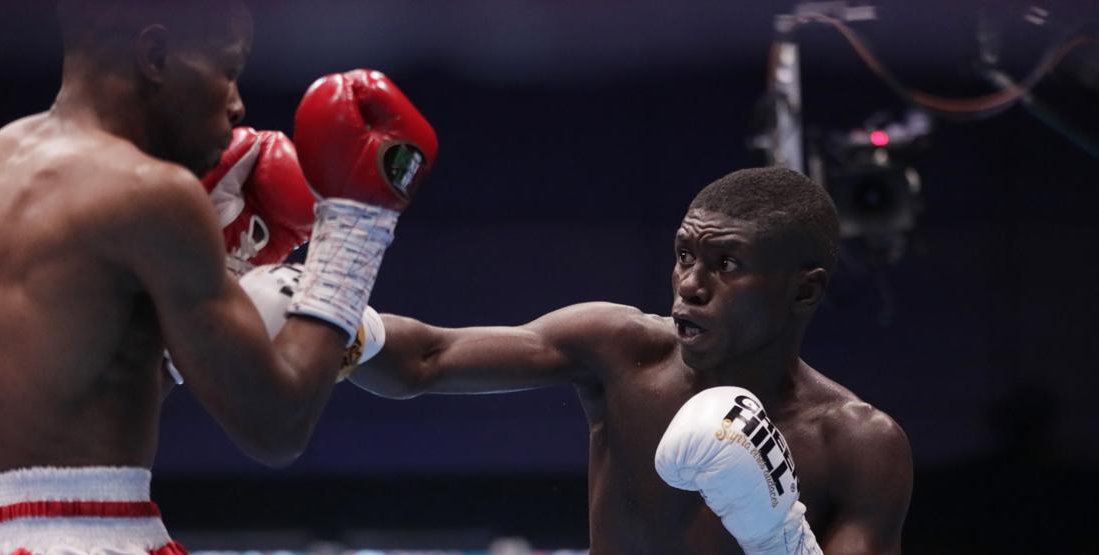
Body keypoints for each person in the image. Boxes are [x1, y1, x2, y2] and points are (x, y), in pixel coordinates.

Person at [0, 0, 437, 552]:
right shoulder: (150, 193)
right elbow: (276, 425)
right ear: (155, 54)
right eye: (228, 71)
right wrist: (356, 225)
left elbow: (74, 396)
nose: (238, 105)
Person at [350, 167, 912, 554]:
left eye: (728, 264)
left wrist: (778, 539)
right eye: (685, 255)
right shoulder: (619, 349)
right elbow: (428, 357)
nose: (690, 285)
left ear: (804, 293)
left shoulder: (859, 444)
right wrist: (335, 319)